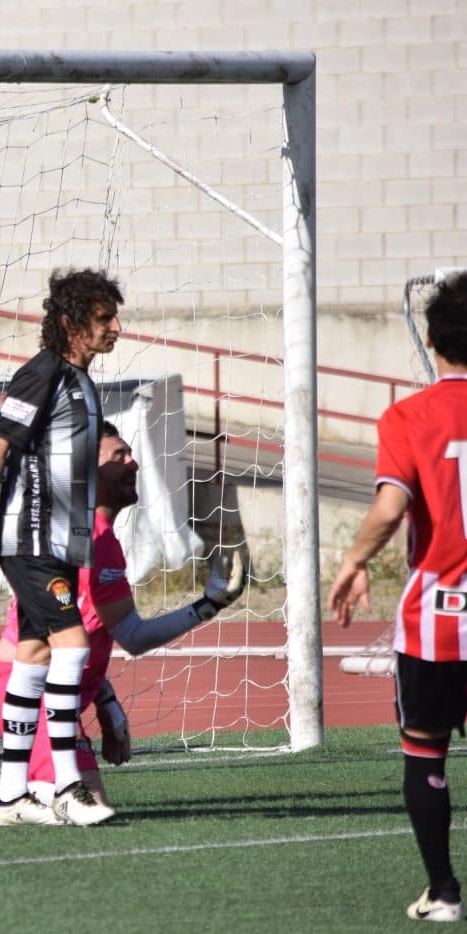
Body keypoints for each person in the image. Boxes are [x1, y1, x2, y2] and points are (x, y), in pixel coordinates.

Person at [0, 422, 246, 824]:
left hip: (50, 688)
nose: (133, 463)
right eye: (119, 456)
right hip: (26, 682)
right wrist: (207, 606)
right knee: (72, 804)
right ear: (85, 470)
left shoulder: (87, 535)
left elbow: (84, 635)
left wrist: (108, 705)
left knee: (80, 803)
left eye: (131, 454)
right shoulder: (91, 542)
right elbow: (130, 636)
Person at [0, 268, 124, 827]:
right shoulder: (44, 372)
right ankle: (69, 787)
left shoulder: (82, 381)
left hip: (57, 544)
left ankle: (9, 796)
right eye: (104, 318)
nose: (115, 329)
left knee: (35, 656)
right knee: (72, 646)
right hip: (26, 539)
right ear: (73, 322)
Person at [329, 273, 467, 923]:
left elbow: (391, 505)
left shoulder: (408, 417)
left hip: (438, 622)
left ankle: (442, 891)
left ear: (434, 340)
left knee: (425, 749)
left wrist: (354, 562)